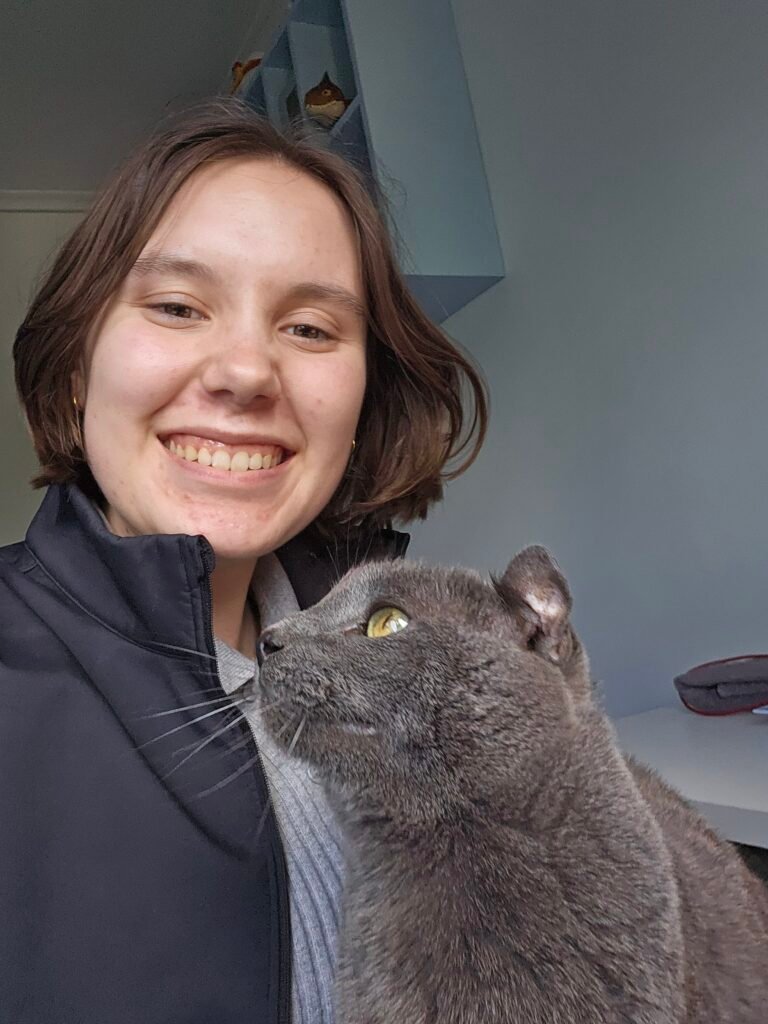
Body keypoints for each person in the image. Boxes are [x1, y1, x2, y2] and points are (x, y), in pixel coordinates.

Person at [2, 97, 487, 1023]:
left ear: (362, 402)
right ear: (75, 371)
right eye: (177, 307)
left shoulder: (417, 655)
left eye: (309, 328)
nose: (246, 372)